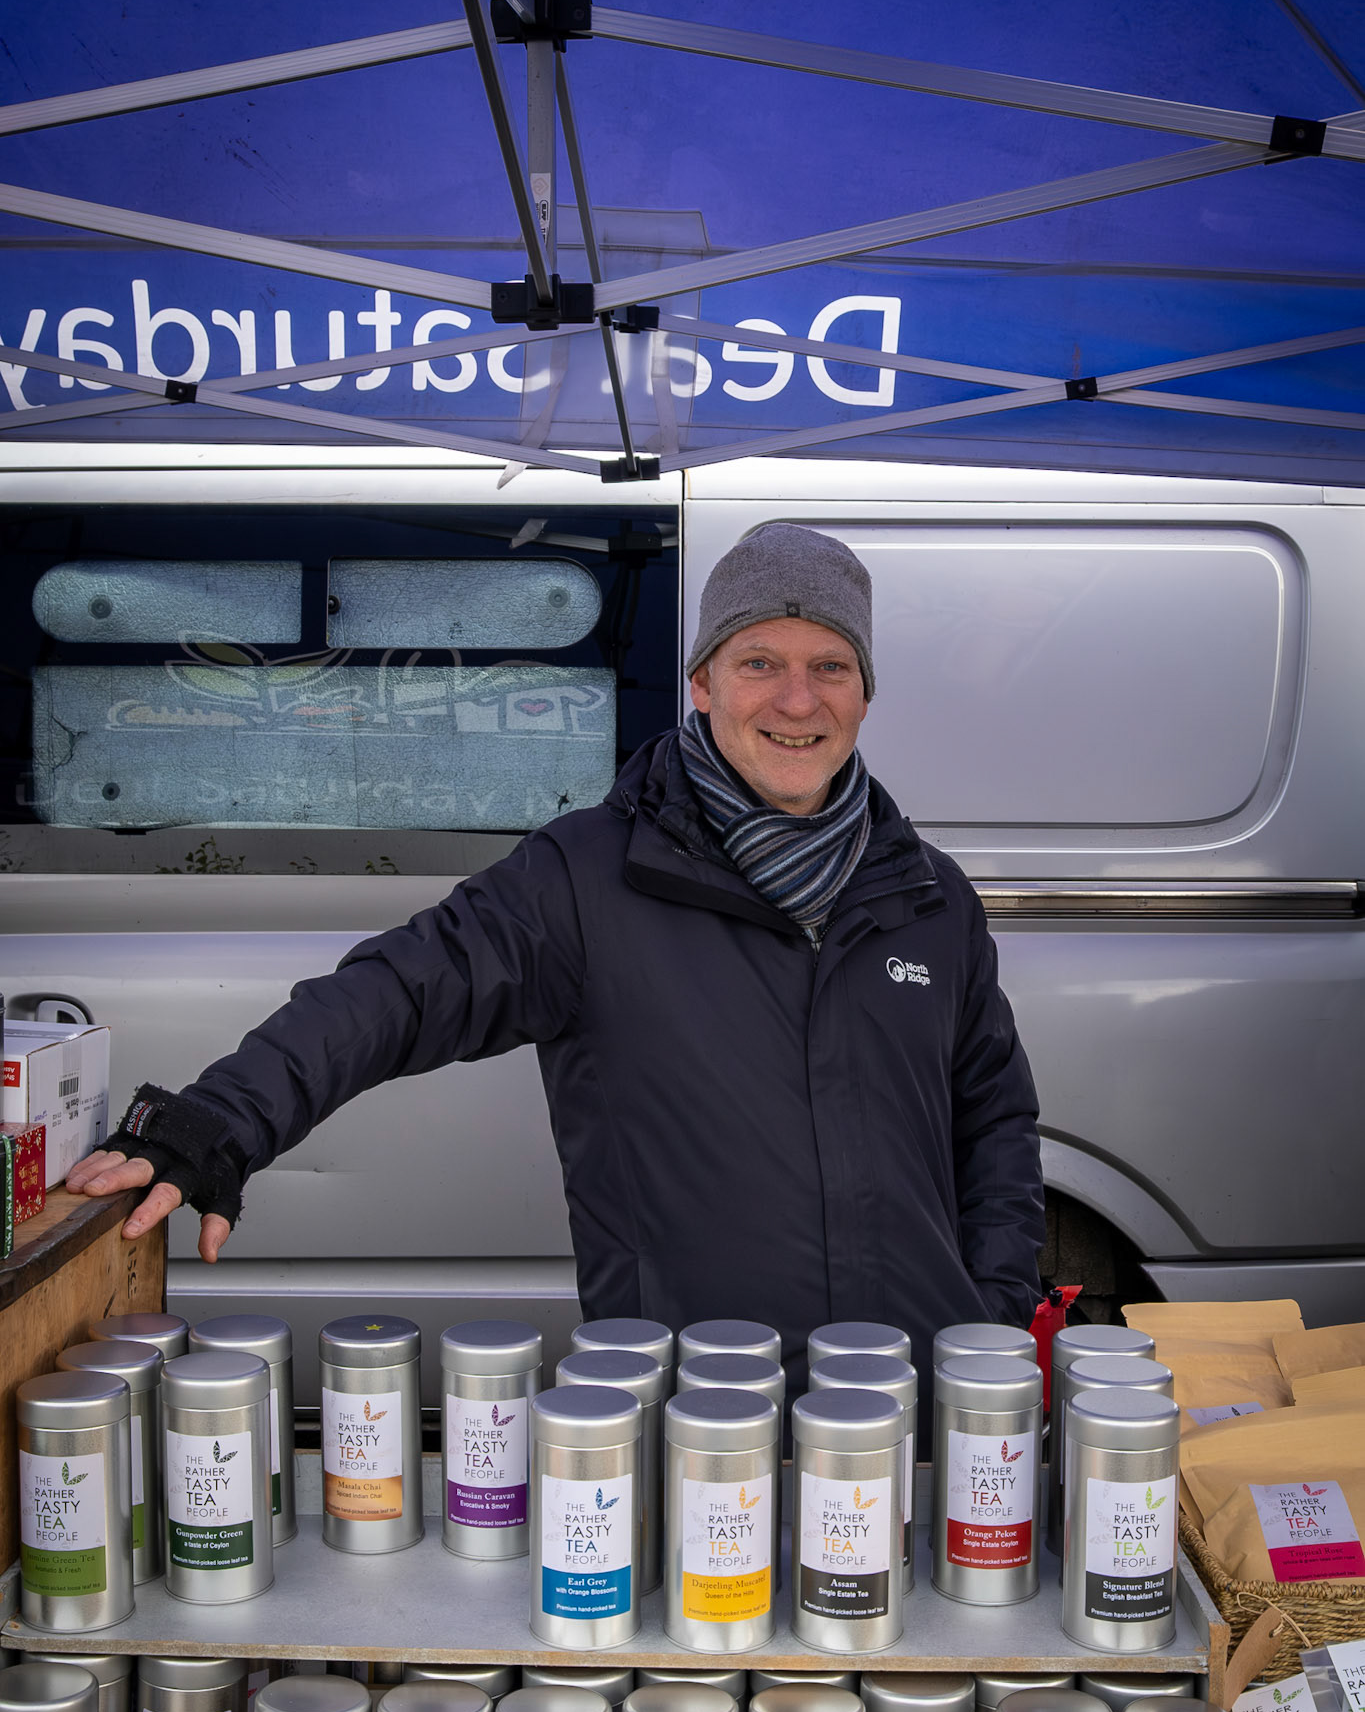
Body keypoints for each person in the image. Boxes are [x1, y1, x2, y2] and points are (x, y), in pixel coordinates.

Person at [67, 522, 1045, 1404]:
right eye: (760, 661)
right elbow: (396, 992)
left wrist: (991, 1321)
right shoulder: (587, 877)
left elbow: (993, 1122)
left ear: (866, 691)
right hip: (696, 1417)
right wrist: (218, 1124)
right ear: (702, 682)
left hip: (915, 1417)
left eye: (831, 665)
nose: (798, 698)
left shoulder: (930, 898)